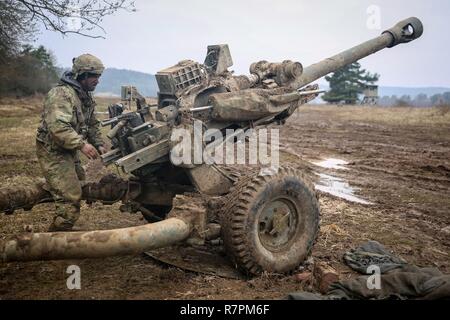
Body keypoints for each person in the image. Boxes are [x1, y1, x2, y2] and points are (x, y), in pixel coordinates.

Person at [36, 54, 107, 231]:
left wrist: (98, 143)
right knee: (70, 196)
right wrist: (82, 145)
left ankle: (61, 229)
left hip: (67, 149)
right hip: (53, 150)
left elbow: (91, 124)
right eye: (94, 76)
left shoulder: (84, 96)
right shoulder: (61, 95)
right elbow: (58, 127)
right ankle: (55, 241)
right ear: (82, 75)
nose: (97, 81)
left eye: (99, 76)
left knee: (80, 182)